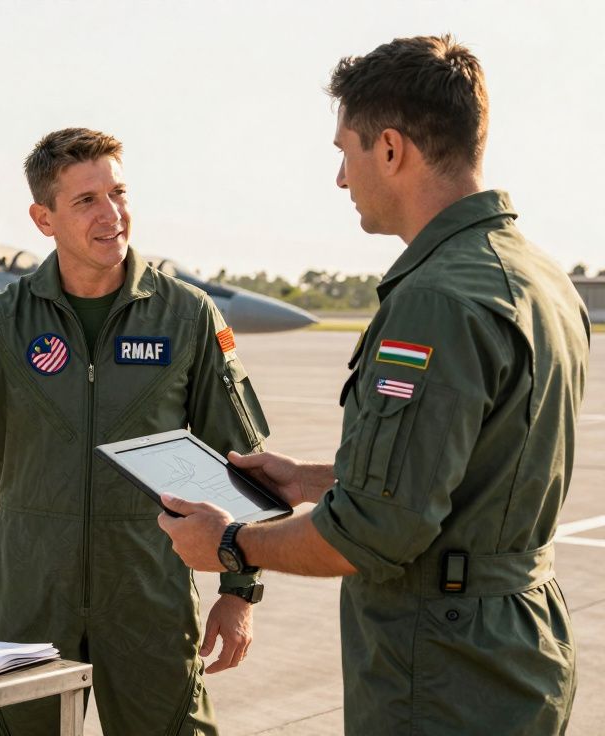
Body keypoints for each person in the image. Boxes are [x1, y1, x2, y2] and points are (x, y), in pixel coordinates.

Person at [157, 36, 589, 735]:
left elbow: (376, 534)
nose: (340, 178)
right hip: (518, 646)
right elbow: (467, 473)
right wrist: (306, 479)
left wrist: (231, 544)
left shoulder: (436, 299)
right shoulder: (538, 277)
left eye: (345, 151)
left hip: (441, 669)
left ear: (391, 150)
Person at [0, 128, 270, 735]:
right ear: (44, 218)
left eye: (118, 192)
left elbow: (239, 461)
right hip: (29, 601)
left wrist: (239, 591)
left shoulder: (187, 315)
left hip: (150, 600)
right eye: (86, 200)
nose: (111, 213)